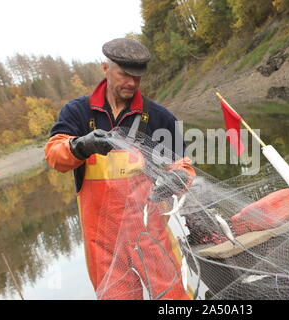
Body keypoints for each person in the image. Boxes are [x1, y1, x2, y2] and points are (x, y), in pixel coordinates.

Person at [45, 38, 195, 300]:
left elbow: (183, 163)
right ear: (105, 68)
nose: (131, 83)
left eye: (137, 77)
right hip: (102, 244)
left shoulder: (158, 117)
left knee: (175, 298)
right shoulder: (78, 112)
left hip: (151, 235)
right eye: (124, 74)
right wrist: (81, 146)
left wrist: (180, 176)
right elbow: (54, 155)